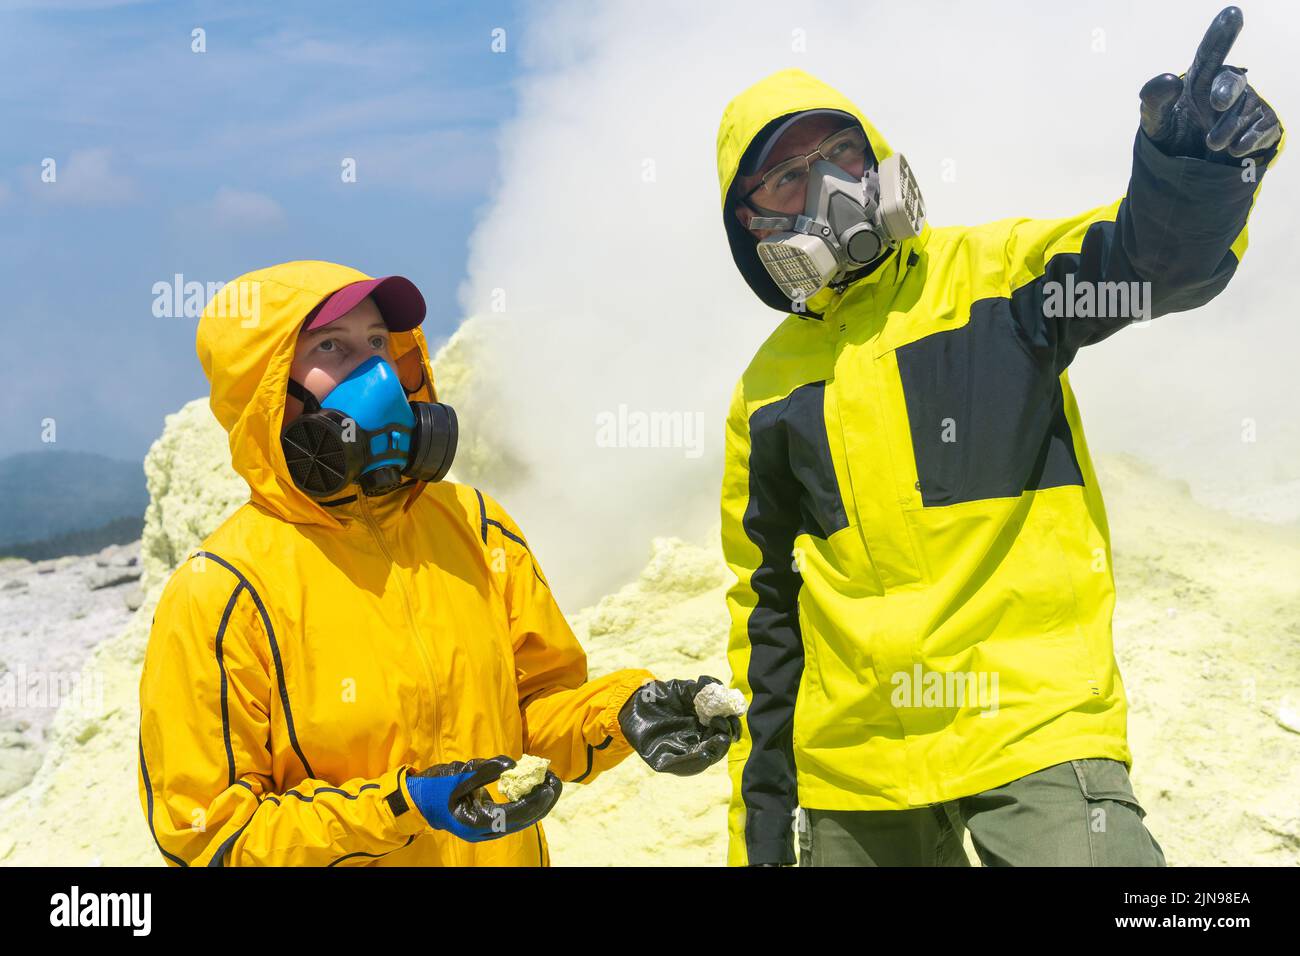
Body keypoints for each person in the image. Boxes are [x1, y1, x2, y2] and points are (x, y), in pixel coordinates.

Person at [716, 7, 1282, 866]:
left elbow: (1142, 266)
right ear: (751, 224)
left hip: (1032, 728)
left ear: (878, 159)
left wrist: (1195, 170)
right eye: (788, 178)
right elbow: (766, 615)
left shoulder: (997, 278)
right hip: (853, 775)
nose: (827, 185)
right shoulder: (765, 393)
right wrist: (761, 831)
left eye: (841, 153)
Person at [137, 259, 738, 866]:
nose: (374, 371)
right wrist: (404, 809)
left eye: (377, 342)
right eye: (331, 347)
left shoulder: (475, 527)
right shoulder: (222, 590)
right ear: (263, 388)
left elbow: (530, 719)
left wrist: (624, 712)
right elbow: (209, 835)